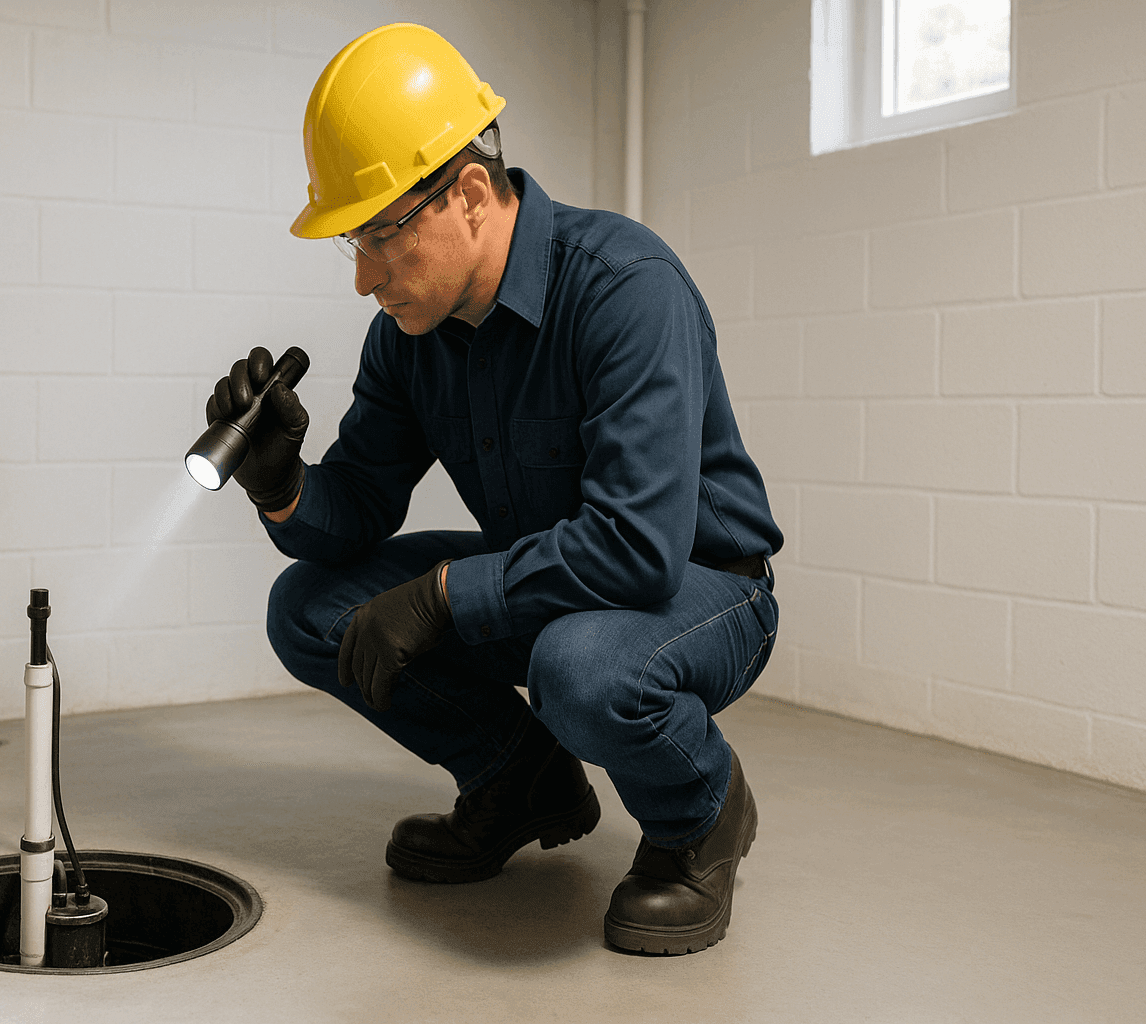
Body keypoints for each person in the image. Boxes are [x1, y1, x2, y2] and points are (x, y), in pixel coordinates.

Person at [202, 23, 782, 955]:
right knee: (310, 609)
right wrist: (282, 486)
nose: (365, 278)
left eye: (381, 236)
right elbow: (359, 505)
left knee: (579, 667)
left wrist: (441, 596)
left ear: (471, 193)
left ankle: (702, 815)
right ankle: (521, 782)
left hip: (702, 587)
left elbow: (638, 548)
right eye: (352, 242)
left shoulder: (626, 287)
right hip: (555, 580)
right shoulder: (410, 336)